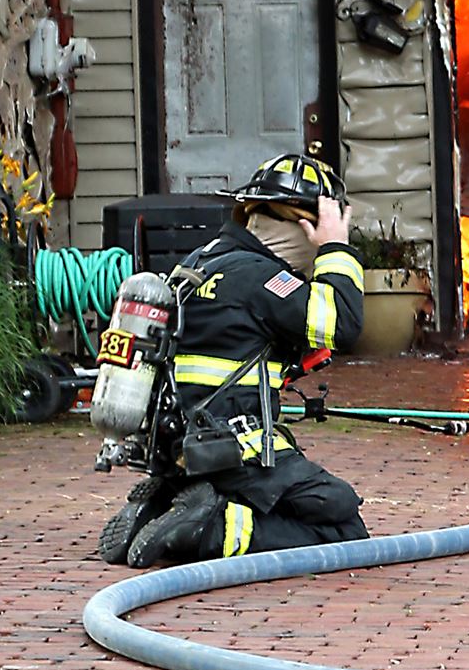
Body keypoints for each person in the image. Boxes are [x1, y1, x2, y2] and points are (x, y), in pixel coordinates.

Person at [99, 151, 370, 568]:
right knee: (341, 524)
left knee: (292, 499)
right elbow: (344, 324)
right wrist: (335, 246)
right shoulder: (263, 277)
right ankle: (214, 529)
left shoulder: (200, 263)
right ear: (305, 224)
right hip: (231, 449)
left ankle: (163, 510)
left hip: (182, 449)